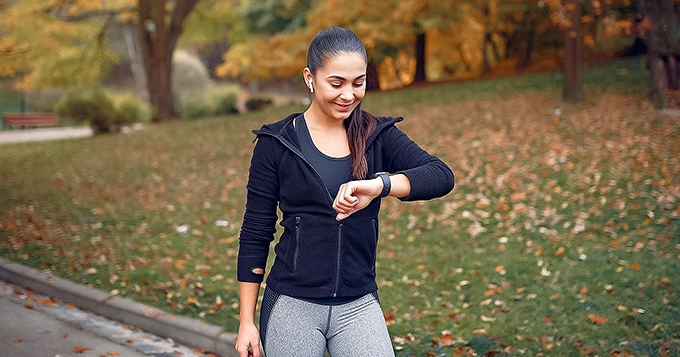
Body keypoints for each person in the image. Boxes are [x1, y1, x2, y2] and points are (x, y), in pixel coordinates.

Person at [235, 26, 455, 357]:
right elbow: (255, 234)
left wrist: (380, 185)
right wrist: (246, 322)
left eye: (358, 83)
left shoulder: (376, 134)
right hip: (292, 304)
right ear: (310, 78)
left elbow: (440, 175)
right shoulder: (276, 144)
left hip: (358, 304)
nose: (348, 95)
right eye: (336, 83)